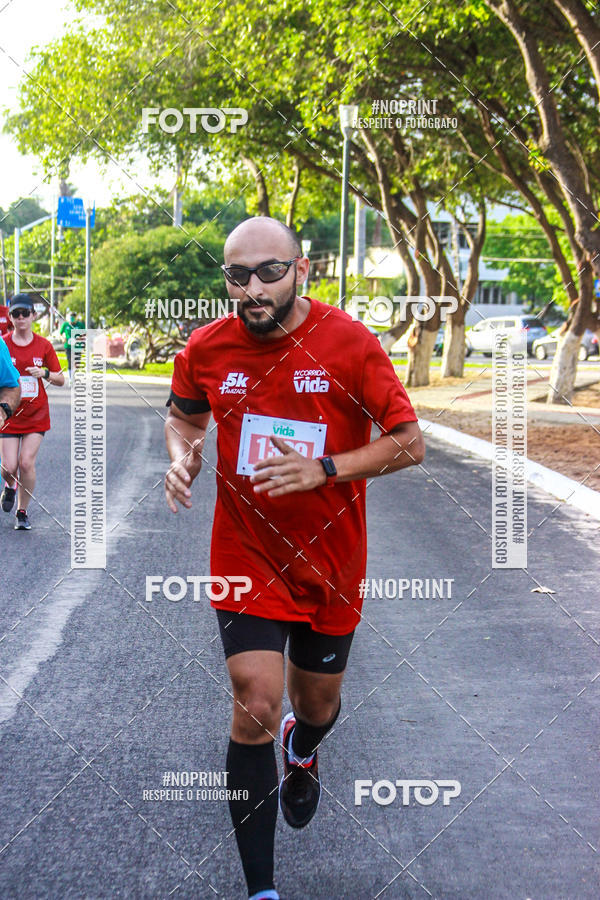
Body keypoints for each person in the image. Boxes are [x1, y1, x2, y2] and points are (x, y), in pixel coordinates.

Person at [163, 217, 425, 900]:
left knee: (317, 704)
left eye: (268, 272)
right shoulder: (206, 347)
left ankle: (303, 749)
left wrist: (326, 468)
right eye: (237, 275)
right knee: (254, 701)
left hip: (330, 563)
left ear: (300, 271)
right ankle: (262, 892)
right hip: (244, 552)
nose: (252, 289)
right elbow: (185, 416)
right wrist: (182, 457)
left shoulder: (348, 343)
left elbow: (408, 441)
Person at [1, 293, 64, 529]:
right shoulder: (3, 344)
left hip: (36, 415)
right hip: (8, 414)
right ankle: (10, 485)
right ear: (11, 317)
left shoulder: (44, 345)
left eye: (25, 313)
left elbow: (60, 379)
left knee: (26, 463)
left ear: (33, 316)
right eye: (16, 314)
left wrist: (44, 373)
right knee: (9, 467)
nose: (20, 318)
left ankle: (22, 511)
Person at [59, 310, 84, 377]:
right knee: (70, 362)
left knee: (77, 363)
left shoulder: (80, 324)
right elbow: (60, 334)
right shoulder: (65, 324)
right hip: (68, 346)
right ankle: (71, 378)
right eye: (70, 317)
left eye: (73, 318)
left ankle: (75, 375)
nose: (72, 319)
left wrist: (79, 339)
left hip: (77, 346)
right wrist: (63, 339)